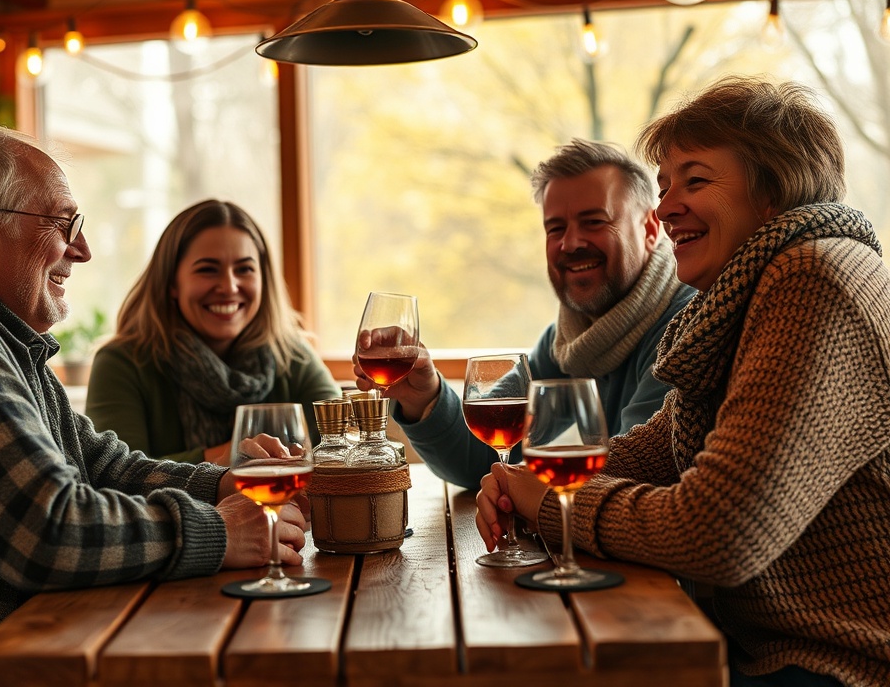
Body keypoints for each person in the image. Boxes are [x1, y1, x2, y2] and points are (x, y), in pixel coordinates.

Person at [476, 77, 890, 687]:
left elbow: (720, 532)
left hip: (836, 664)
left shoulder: (816, 277)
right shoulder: (745, 290)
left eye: (694, 182)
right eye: (665, 186)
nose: (666, 208)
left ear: (774, 190)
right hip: (759, 646)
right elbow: (659, 447)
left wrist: (559, 505)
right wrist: (534, 480)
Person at [0, 122, 308, 687]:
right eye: (63, 223)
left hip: (32, 650)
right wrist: (218, 532)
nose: (83, 249)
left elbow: (104, 466)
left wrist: (228, 485)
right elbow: (44, 530)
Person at [355, 138, 694, 489]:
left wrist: (519, 494)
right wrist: (424, 396)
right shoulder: (565, 339)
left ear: (651, 230)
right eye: (555, 228)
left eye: (594, 221)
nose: (570, 243)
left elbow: (630, 474)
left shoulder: (685, 324)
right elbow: (486, 460)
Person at [85, 199, 341, 464]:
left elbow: (345, 439)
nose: (229, 286)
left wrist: (383, 394)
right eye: (208, 270)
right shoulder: (121, 363)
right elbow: (115, 473)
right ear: (172, 282)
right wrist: (234, 456)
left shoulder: (292, 356)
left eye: (244, 269)